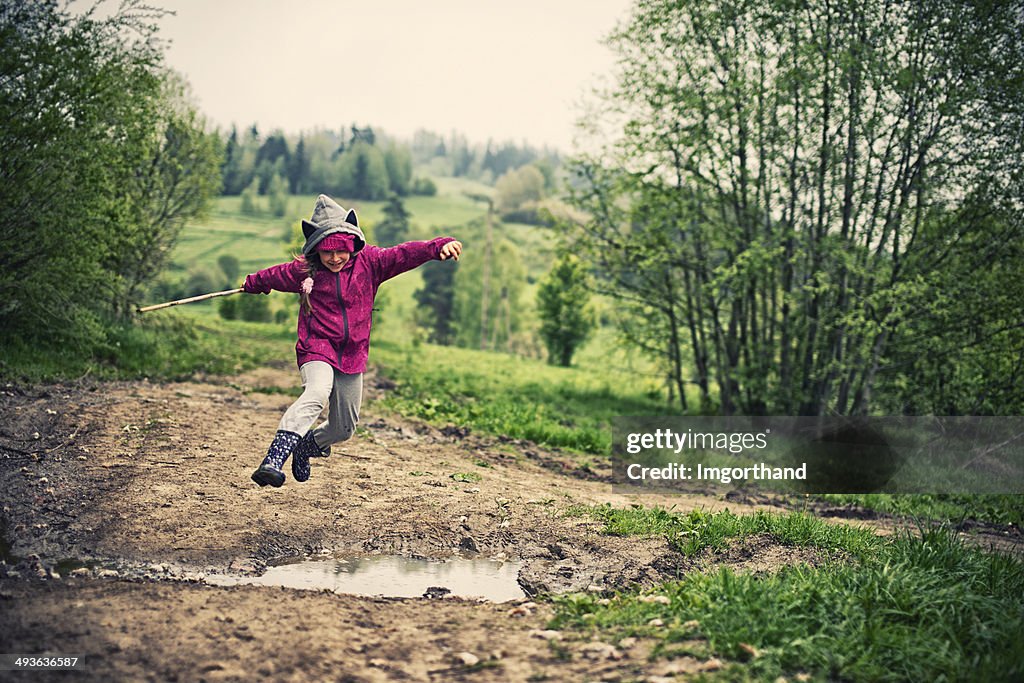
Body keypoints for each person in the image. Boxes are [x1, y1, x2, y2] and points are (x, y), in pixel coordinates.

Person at [243, 194, 462, 487]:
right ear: (315, 250)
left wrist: (438, 246)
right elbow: (272, 276)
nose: (334, 258)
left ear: (352, 244)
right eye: (326, 253)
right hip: (316, 346)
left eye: (341, 251)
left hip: (352, 353)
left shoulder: (371, 263)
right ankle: (274, 458)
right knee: (317, 392)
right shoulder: (305, 271)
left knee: (344, 428)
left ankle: (308, 445)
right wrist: (253, 283)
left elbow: (406, 253)